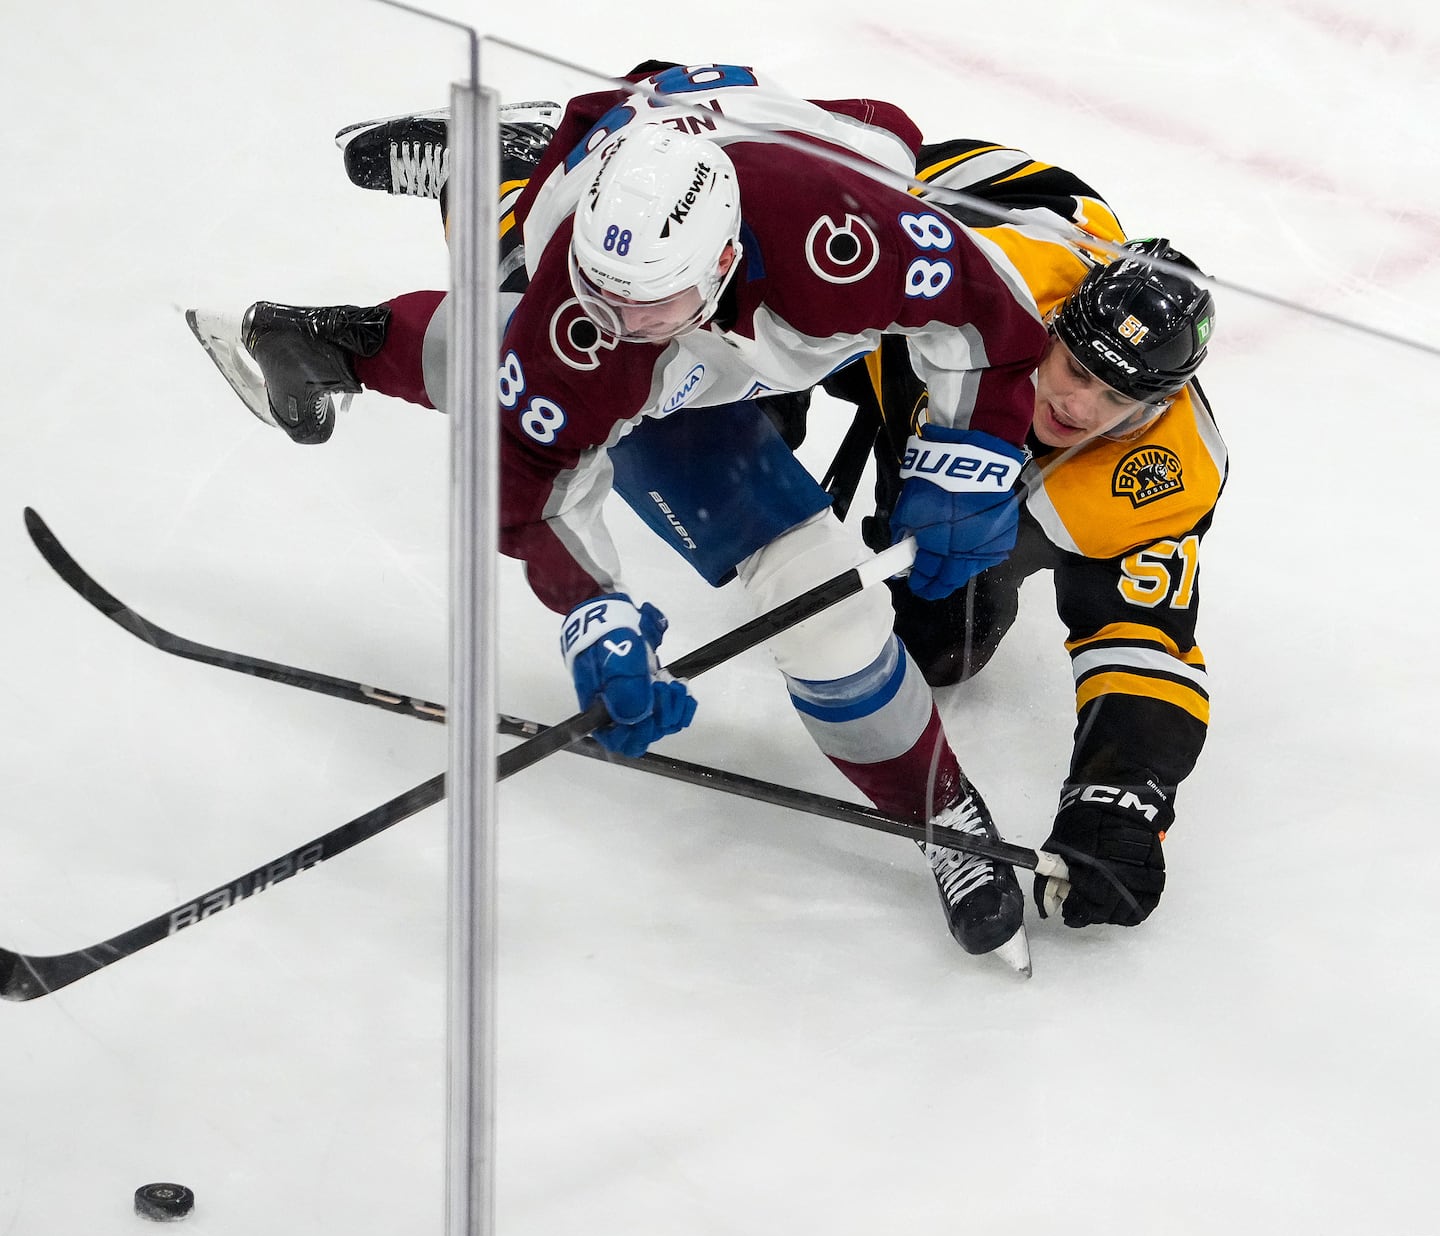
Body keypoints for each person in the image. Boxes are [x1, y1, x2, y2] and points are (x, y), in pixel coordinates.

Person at [206, 65, 1055, 968]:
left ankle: (491, 163)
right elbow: (527, 478)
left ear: (723, 261)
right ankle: (484, 184)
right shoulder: (587, 310)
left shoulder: (847, 241)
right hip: (611, 184)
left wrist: (973, 454)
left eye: (644, 301)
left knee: (884, 144)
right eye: (599, 291)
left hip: (798, 152)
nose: (611, 319)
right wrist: (592, 610)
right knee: (811, 596)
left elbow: (989, 323)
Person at [812, 139, 1224, 931]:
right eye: (1072, 367)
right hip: (922, 203)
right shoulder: (973, 286)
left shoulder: (1164, 472)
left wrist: (1120, 797)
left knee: (933, 647)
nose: (1077, 405)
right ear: (1054, 328)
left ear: (1156, 408)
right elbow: (803, 241)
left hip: (942, 381)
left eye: (1115, 398)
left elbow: (1143, 638)